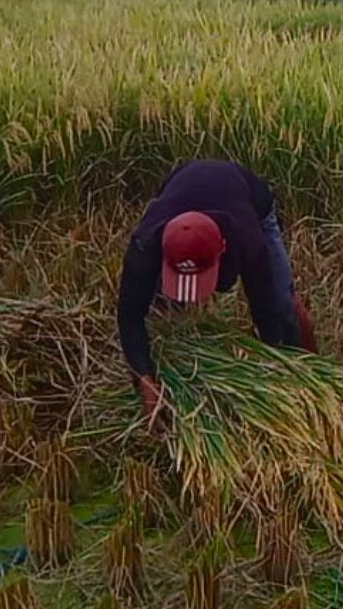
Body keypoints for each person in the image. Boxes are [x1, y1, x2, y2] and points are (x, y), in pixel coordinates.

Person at [117, 159, 318, 427]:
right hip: (181, 187)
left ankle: (312, 374)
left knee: (282, 307)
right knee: (161, 308)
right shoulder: (146, 244)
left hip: (250, 199)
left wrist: (277, 375)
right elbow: (130, 315)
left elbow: (265, 309)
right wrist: (144, 378)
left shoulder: (248, 240)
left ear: (223, 251)